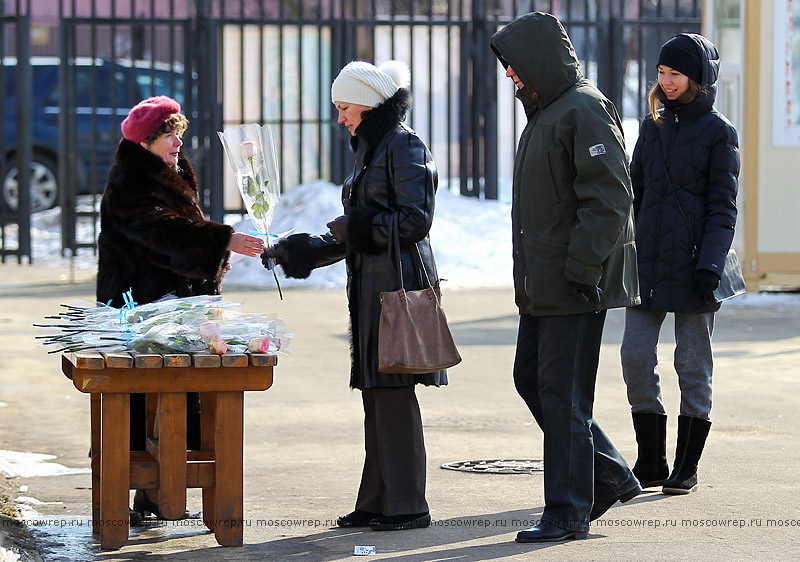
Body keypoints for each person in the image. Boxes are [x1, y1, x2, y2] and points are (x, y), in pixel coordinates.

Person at [262, 60, 445, 532]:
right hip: (371, 286)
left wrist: (356, 225)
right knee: (375, 394)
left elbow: (415, 220)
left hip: (398, 288)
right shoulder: (372, 147)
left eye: (345, 108)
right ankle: (378, 500)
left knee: (394, 393)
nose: (340, 117)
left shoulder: (404, 144)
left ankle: (408, 505)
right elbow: (355, 235)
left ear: (369, 103)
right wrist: (298, 251)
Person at [490, 12, 642, 543]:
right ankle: (608, 474)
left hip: (575, 282)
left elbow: (609, 197)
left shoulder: (584, 108)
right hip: (544, 284)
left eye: (514, 67)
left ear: (536, 62)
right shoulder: (547, 112)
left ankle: (568, 509)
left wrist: (582, 267)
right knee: (533, 379)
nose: (510, 77)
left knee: (563, 394)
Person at [96, 95, 264, 521]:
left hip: (176, 307)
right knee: (141, 403)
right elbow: (160, 233)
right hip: (140, 307)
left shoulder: (169, 170)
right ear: (147, 141)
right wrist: (220, 240)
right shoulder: (130, 180)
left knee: (177, 400)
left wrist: (215, 254)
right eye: (169, 135)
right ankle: (133, 495)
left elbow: (182, 233)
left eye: (178, 134)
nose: (177, 143)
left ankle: (161, 493)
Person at [620, 34, 739, 495]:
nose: (667, 82)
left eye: (676, 73)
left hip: (696, 267)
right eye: (662, 73)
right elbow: (636, 190)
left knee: (691, 364)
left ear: (698, 77)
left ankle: (686, 466)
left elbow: (723, 206)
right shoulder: (653, 125)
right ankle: (651, 459)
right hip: (648, 262)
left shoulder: (718, 132)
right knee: (634, 357)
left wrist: (710, 264)